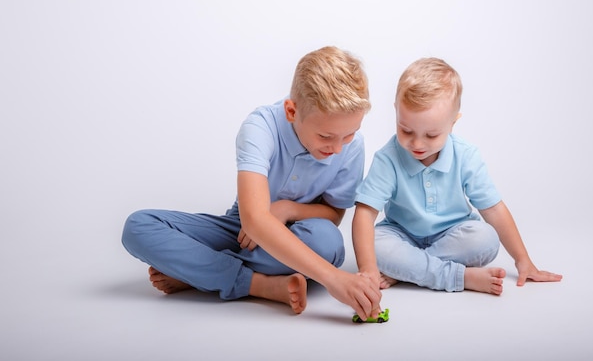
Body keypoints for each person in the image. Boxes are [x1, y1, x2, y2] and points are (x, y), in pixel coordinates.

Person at [122, 46, 381, 320]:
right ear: (292, 112)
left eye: (350, 134)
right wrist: (334, 279)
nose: (338, 148)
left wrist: (288, 209)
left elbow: (334, 213)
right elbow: (254, 221)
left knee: (328, 241)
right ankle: (260, 284)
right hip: (243, 231)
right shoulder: (261, 127)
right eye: (326, 136)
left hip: (303, 232)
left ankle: (200, 273)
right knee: (138, 227)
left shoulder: (352, 147)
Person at [352, 57, 562, 296]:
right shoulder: (388, 158)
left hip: (453, 235)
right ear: (396, 111)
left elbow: (493, 209)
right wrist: (369, 269)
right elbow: (364, 214)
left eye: (431, 135)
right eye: (406, 130)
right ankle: (457, 277)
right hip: (401, 234)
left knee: (485, 239)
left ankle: (404, 270)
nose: (417, 143)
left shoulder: (466, 155)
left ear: (453, 123)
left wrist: (523, 260)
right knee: (375, 244)